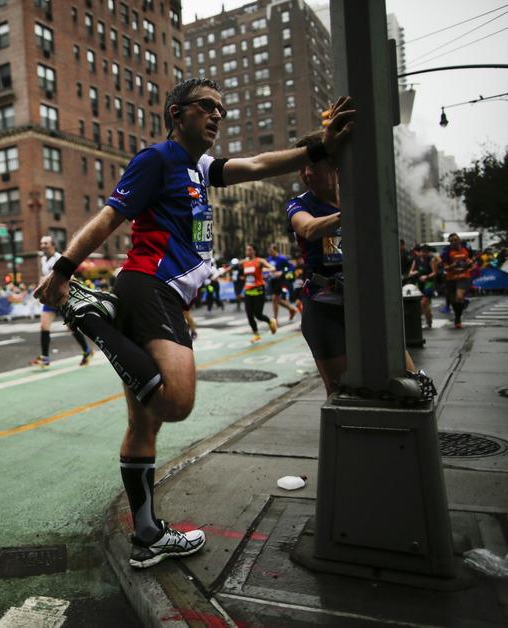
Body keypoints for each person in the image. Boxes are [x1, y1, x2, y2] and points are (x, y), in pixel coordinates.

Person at [35, 78, 355, 569]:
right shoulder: (156, 159)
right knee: (176, 402)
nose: (217, 116)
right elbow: (107, 217)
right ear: (175, 112)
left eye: (222, 110)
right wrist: (63, 270)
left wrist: (320, 144)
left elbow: (258, 165)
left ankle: (146, 535)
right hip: (148, 286)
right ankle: (92, 317)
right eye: (207, 107)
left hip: (161, 294)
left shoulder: (202, 168)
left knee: (143, 422)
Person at [287, 131, 430, 396]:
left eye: (313, 165)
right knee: (342, 392)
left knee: (411, 383)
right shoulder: (299, 204)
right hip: (324, 308)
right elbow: (307, 228)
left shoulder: (360, 194)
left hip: (368, 304)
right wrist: (346, 215)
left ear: (333, 164)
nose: (307, 173)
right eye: (301, 168)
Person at [29, 236, 93, 368]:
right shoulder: (42, 259)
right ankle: (45, 358)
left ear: (53, 245)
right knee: (44, 326)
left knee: (71, 327)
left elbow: (71, 276)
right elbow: (44, 277)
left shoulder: (59, 258)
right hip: (49, 298)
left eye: (46, 243)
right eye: (41, 243)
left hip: (61, 298)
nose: (43, 245)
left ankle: (87, 351)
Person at [223, 245, 278, 343]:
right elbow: (232, 267)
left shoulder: (260, 261)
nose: (247, 251)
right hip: (248, 292)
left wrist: (267, 269)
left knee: (258, 315)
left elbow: (272, 267)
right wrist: (221, 273)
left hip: (259, 291)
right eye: (246, 249)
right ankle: (256, 334)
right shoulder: (244, 262)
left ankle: (270, 321)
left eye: (249, 250)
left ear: (254, 251)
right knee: (249, 315)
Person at [440, 233, 473, 329]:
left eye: (455, 240)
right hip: (451, 278)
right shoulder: (446, 252)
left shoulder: (466, 249)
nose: (453, 242)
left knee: (459, 297)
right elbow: (445, 267)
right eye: (451, 241)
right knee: (453, 301)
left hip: (463, 276)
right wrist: (452, 265)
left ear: (459, 240)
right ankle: (458, 317)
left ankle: (458, 317)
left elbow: (471, 262)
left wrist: (470, 263)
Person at [266, 244, 299, 322]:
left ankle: (275, 319)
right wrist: (267, 274)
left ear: (276, 250)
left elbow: (291, 267)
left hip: (280, 281)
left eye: (271, 251)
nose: (270, 252)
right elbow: (266, 268)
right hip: (272, 281)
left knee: (275, 298)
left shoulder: (282, 258)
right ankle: (291, 309)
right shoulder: (269, 259)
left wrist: (282, 272)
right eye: (269, 251)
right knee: (276, 299)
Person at [408, 245, 438, 329]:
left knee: (424, 303)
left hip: (429, 283)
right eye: (422, 252)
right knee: (418, 304)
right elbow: (411, 271)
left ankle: (429, 322)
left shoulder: (431, 260)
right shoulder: (416, 260)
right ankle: (420, 320)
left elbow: (435, 272)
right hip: (418, 282)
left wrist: (427, 276)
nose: (424, 254)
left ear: (428, 252)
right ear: (419, 252)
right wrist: (413, 273)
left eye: (426, 252)